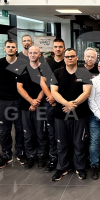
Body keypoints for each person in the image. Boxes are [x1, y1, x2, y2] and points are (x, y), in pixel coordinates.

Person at [50, 48, 93, 181]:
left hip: (80, 113)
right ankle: (62, 167)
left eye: (72, 56)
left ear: (76, 58)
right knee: (61, 142)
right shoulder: (57, 72)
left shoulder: (84, 72)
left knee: (79, 142)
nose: (70, 58)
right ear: (64, 58)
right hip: (61, 113)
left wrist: (72, 105)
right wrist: (67, 104)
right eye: (67, 56)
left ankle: (80, 167)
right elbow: (54, 92)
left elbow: (87, 92)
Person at [0, 39, 25, 168]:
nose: (11, 49)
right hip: (4, 101)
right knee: (4, 129)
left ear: (16, 49)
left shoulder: (22, 63)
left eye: (13, 47)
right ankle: (6, 155)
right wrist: (6, 91)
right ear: (4, 49)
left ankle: (20, 153)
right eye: (8, 47)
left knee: (20, 128)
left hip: (19, 101)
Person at [17, 46, 47, 169]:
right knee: (27, 133)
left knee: (41, 133)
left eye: (35, 53)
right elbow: (19, 88)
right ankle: (30, 156)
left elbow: (45, 88)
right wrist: (31, 101)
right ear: (27, 54)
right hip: (25, 106)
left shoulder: (45, 68)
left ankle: (41, 156)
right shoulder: (22, 68)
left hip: (41, 106)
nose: (32, 54)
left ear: (40, 55)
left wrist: (36, 102)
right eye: (30, 53)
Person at [43, 38, 66, 171]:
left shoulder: (67, 61)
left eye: (60, 47)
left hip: (64, 102)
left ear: (64, 48)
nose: (58, 49)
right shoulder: (47, 62)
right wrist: (51, 96)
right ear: (53, 49)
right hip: (50, 102)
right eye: (56, 47)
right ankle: (53, 158)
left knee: (64, 131)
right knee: (51, 131)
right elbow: (42, 82)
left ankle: (65, 158)